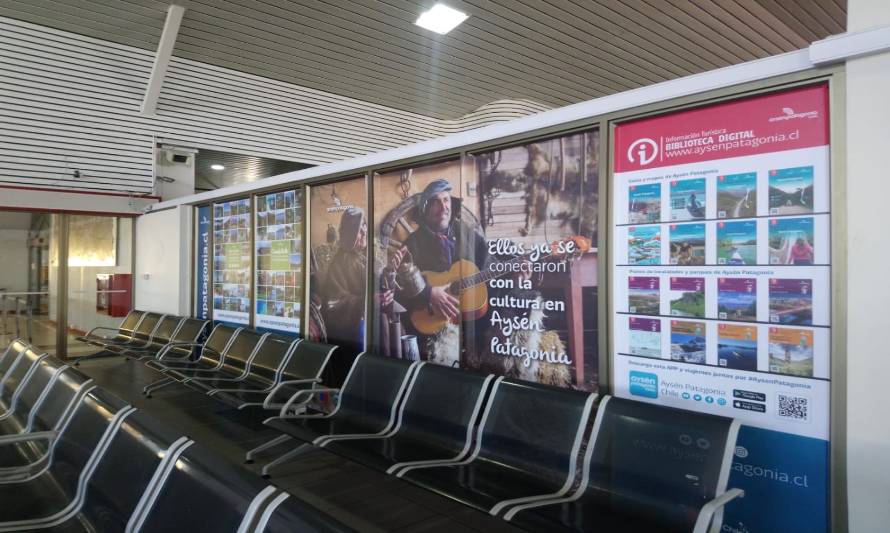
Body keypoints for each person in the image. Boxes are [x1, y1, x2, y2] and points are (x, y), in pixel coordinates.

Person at [387, 179, 489, 364]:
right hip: (430, 327)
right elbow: (399, 289)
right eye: (435, 201)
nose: (443, 207)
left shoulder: (466, 233)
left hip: (471, 325)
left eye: (446, 200)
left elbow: (488, 263)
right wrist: (429, 293)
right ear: (424, 210)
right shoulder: (412, 244)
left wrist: (514, 272)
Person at [320, 207, 369, 350]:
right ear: (350, 235)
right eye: (359, 229)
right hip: (350, 334)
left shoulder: (362, 257)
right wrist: (367, 302)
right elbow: (334, 303)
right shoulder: (340, 263)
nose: (364, 231)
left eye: (364, 225)